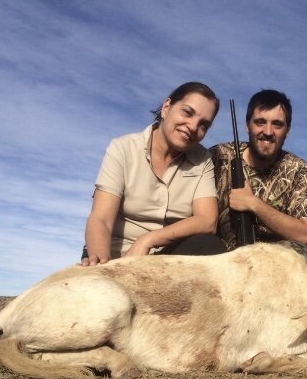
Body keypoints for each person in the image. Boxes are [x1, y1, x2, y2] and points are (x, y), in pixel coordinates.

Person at [81, 81, 225, 266]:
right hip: (117, 255)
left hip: (167, 257)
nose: (192, 126)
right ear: (166, 107)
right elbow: (101, 218)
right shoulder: (122, 147)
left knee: (208, 245)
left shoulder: (203, 159)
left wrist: (147, 240)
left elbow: (207, 221)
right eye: (187, 113)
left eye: (204, 125)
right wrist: (101, 264)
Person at [209, 89, 307, 252]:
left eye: (277, 124)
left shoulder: (298, 169)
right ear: (247, 126)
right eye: (260, 122)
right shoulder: (218, 156)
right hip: (221, 260)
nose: (267, 132)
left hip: (274, 263)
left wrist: (253, 203)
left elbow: (304, 236)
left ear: (287, 131)